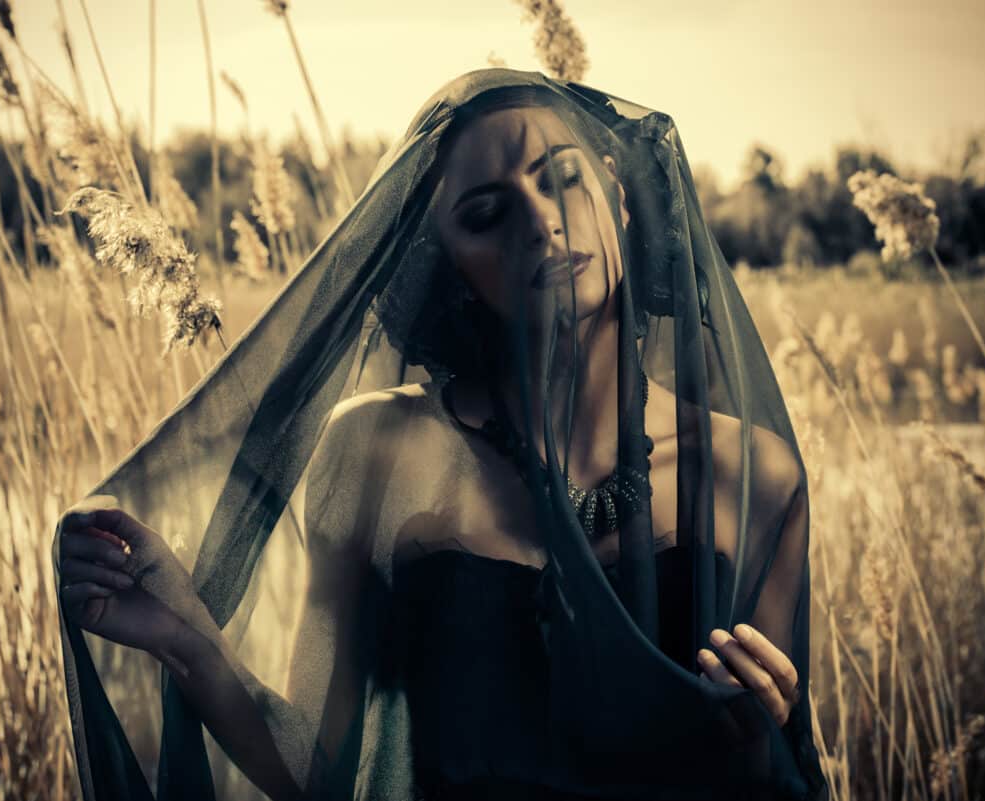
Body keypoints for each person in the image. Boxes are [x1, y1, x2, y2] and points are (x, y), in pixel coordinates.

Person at [54, 69, 828, 800]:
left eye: (560, 177)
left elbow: (759, 772)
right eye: (487, 213)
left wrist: (761, 736)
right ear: (450, 265)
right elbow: (324, 775)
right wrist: (188, 636)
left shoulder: (754, 477)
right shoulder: (377, 450)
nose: (542, 222)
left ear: (618, 197)